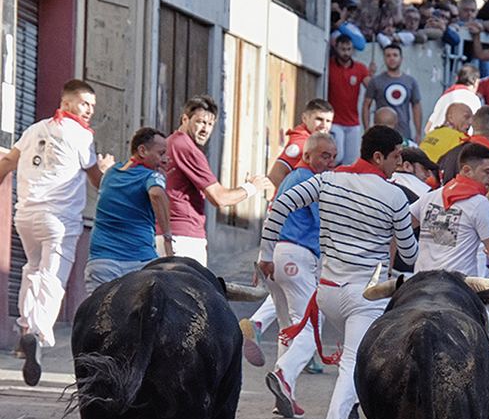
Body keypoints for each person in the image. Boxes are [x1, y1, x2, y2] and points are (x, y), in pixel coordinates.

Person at [259, 125, 419, 419]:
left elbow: (280, 204)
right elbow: (409, 254)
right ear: (378, 157)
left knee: (346, 354)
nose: (400, 163)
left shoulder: (328, 180)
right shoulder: (394, 197)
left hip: (328, 289)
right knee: (353, 364)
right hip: (366, 293)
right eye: (396, 156)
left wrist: (266, 252)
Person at [0, 79, 115, 381]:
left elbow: (7, 162)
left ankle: (25, 328)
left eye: (92, 105)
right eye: (84, 103)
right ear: (66, 103)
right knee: (52, 276)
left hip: (25, 215)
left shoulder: (34, 129)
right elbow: (97, 181)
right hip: (59, 220)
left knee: (33, 269)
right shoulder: (81, 136)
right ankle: (36, 333)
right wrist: (105, 167)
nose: (89, 110)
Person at [261, 131, 338, 419]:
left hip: (276, 255)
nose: (329, 162)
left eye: (333, 156)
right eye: (324, 156)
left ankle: (286, 392)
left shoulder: (291, 178)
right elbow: (326, 224)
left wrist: (263, 256)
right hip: (299, 255)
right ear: (307, 156)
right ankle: (283, 374)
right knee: (310, 328)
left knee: (288, 329)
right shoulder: (314, 182)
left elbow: (273, 215)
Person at [161, 94, 272, 265]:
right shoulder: (186, 147)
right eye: (200, 122)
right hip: (184, 237)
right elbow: (219, 197)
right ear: (185, 119)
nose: (205, 129)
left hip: (169, 234)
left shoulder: (172, 142)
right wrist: (252, 187)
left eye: (210, 124)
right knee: (194, 291)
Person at [84, 127, 172, 293]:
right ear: (142, 150)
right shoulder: (151, 176)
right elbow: (157, 194)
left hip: (101, 263)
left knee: (97, 316)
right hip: (138, 264)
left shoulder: (111, 172)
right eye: (161, 154)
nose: (166, 159)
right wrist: (167, 239)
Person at [412, 142, 489, 277]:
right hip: (457, 286)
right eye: (488, 172)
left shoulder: (431, 196)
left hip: (420, 282)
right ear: (466, 170)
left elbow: (399, 225)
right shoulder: (479, 203)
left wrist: (408, 254)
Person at [268, 99, 335, 188]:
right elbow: (275, 175)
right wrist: (292, 198)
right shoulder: (301, 144)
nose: (324, 125)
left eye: (328, 121)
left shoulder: (315, 140)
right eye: (319, 119)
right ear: (304, 118)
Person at [327, 34, 371, 165]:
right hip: (334, 121)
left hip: (353, 122)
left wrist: (372, 76)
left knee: (350, 162)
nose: (346, 53)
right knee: (337, 157)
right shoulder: (328, 65)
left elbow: (372, 88)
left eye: (348, 49)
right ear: (336, 48)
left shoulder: (360, 68)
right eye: (342, 49)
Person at [362, 44, 422, 141]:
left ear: (401, 58)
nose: (392, 58)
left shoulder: (410, 81)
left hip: (404, 132)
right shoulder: (375, 81)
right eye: (388, 55)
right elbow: (366, 105)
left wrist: (418, 133)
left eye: (395, 55)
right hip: (381, 133)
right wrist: (366, 128)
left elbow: (416, 107)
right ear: (384, 58)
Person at [424, 65, 482, 134]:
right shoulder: (473, 99)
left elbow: (428, 128)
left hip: (435, 140)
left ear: (457, 78)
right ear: (476, 82)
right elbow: (477, 129)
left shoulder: (444, 97)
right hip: (459, 142)